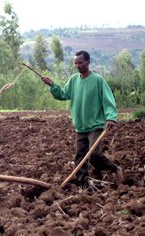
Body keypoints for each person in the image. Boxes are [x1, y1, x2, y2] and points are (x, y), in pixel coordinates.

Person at [41, 50, 124, 187]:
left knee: (95, 155)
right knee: (80, 157)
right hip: (80, 125)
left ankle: (116, 169)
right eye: (76, 63)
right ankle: (83, 184)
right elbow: (63, 94)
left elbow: (108, 100)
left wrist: (111, 117)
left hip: (95, 124)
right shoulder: (74, 80)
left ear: (88, 62)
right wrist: (52, 85)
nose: (78, 65)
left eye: (80, 62)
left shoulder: (97, 80)